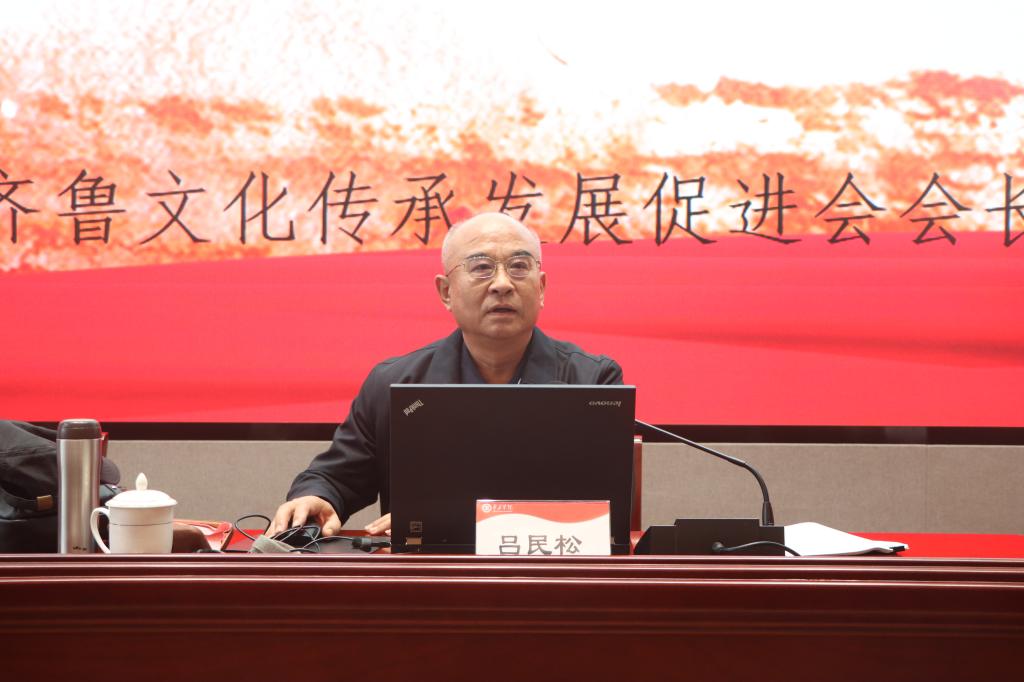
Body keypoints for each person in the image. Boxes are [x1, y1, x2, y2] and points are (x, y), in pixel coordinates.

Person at [268, 212, 622, 537]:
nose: (502, 283)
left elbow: (601, 508)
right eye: (481, 268)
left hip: (546, 575)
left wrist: (454, 518)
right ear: (446, 292)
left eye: (518, 266)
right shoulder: (394, 383)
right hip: (424, 579)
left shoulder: (592, 381)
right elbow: (336, 477)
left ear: (541, 288)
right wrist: (317, 496)